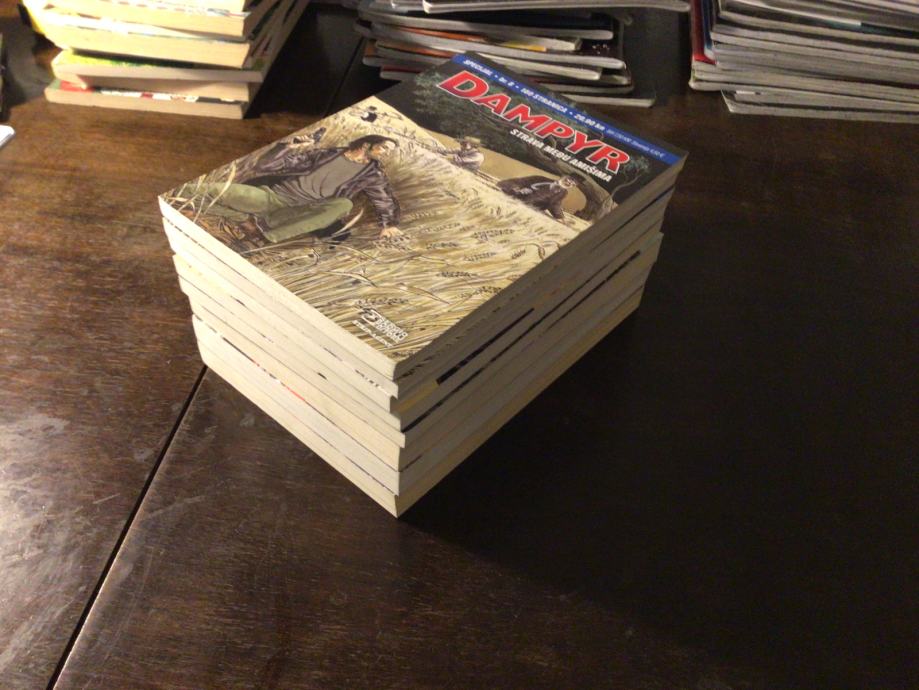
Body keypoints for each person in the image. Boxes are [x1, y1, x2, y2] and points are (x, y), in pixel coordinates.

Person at [201, 135, 403, 247]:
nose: (387, 153)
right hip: (272, 197)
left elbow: (383, 199)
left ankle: (263, 238)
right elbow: (265, 166)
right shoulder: (325, 155)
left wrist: (389, 224)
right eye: (385, 148)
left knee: (344, 204)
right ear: (367, 144)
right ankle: (244, 220)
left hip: (302, 211)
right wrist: (288, 147)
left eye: (390, 151)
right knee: (201, 191)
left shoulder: (373, 174)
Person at [497, 174, 578, 220]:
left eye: (572, 184)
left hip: (531, 209)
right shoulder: (540, 179)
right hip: (516, 199)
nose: (569, 183)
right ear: (563, 176)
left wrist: (560, 217)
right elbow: (517, 181)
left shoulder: (563, 193)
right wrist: (518, 189)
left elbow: (555, 204)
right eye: (568, 180)